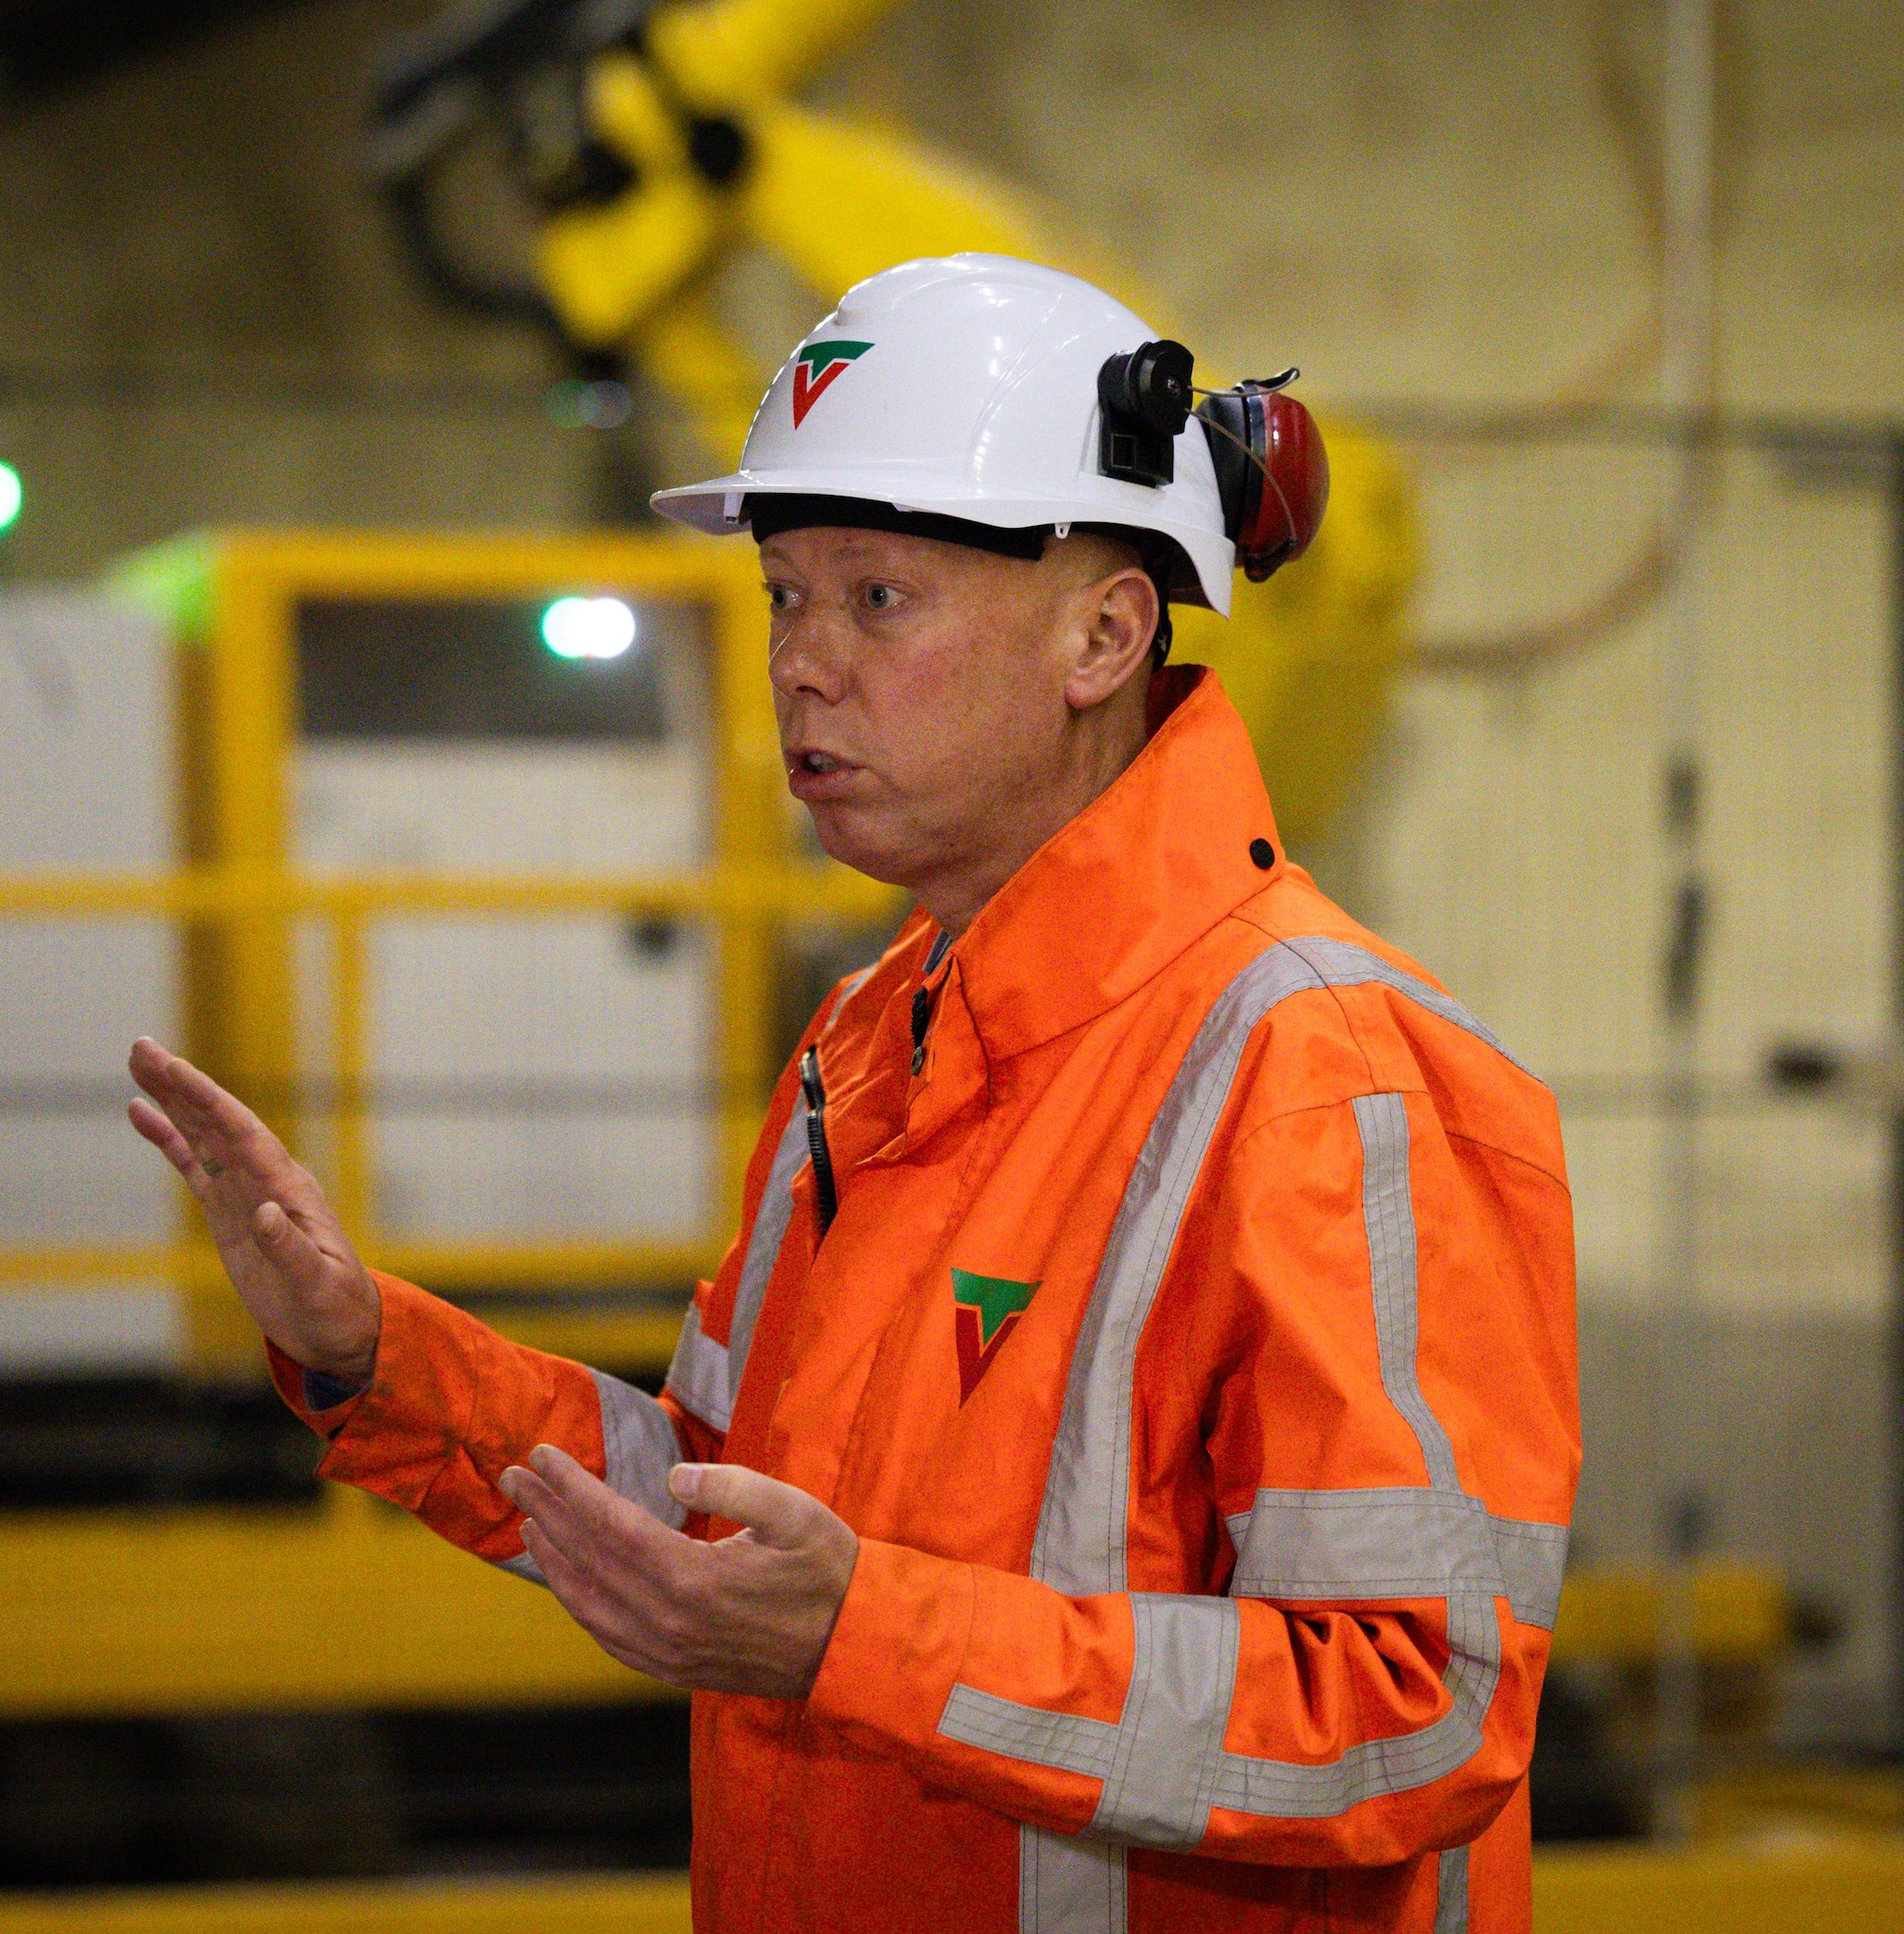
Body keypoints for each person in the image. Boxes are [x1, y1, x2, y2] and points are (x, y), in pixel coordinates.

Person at [128, 255, 1578, 1934]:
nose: (801, 666)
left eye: (876, 599)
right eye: (783, 597)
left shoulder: (1331, 1079)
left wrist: (857, 1640)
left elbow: (1418, 1708)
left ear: (1103, 633)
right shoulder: (876, 1038)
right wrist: (372, 1352)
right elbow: (715, 1497)